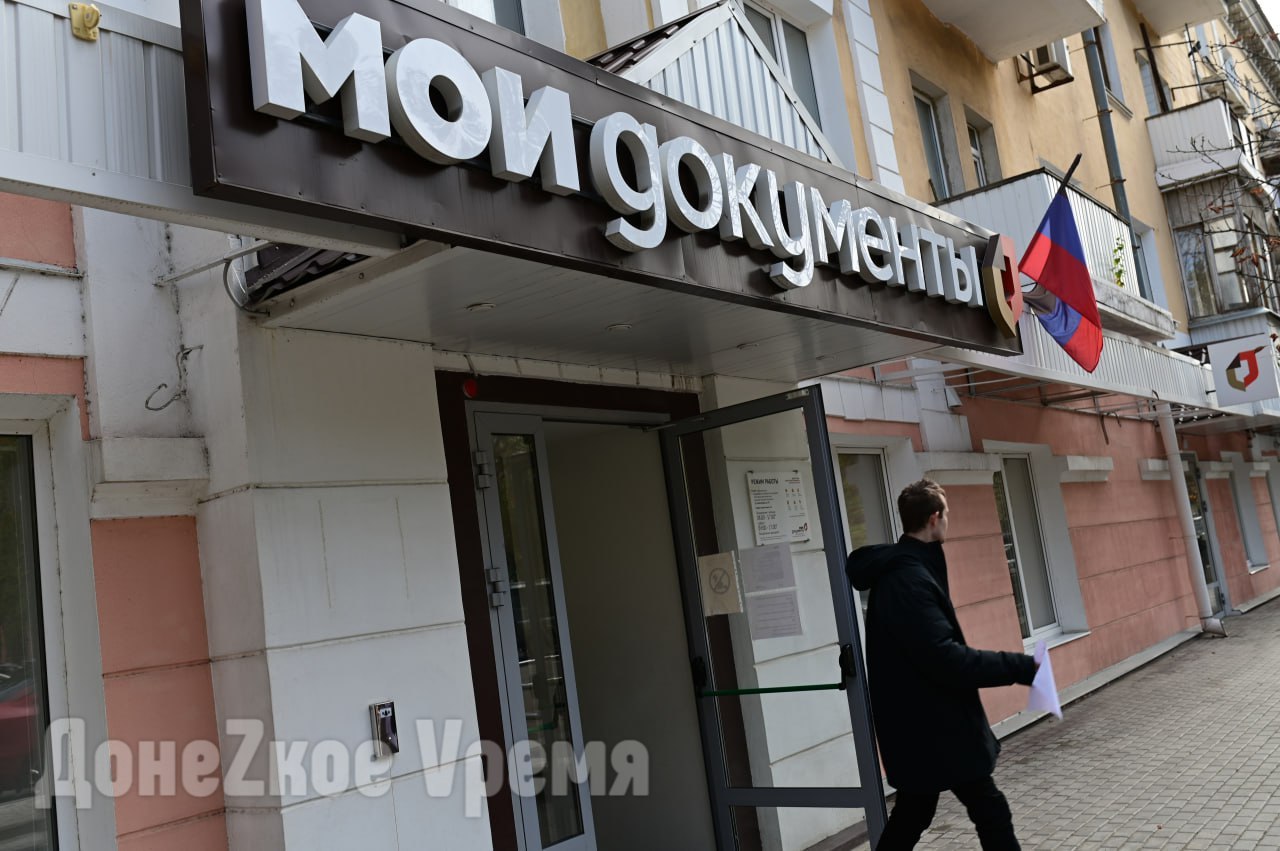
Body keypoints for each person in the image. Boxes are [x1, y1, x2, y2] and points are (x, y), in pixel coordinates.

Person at [848, 479, 1037, 850]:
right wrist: (1020, 667)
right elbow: (944, 658)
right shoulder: (908, 579)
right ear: (934, 519)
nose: (948, 520)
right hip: (934, 725)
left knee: (917, 813)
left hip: (926, 725)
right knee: (987, 811)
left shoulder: (911, 568)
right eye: (946, 514)